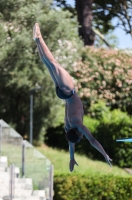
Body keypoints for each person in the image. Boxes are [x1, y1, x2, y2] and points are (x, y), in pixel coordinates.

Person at [33, 23, 112, 172]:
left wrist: (105, 154)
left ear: (78, 133)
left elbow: (93, 140)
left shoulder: (77, 124)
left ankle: (39, 37)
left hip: (69, 91)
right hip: (62, 94)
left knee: (54, 63)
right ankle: (37, 41)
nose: (83, 136)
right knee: (47, 64)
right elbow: (71, 143)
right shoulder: (68, 127)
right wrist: (71, 158)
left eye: (81, 136)